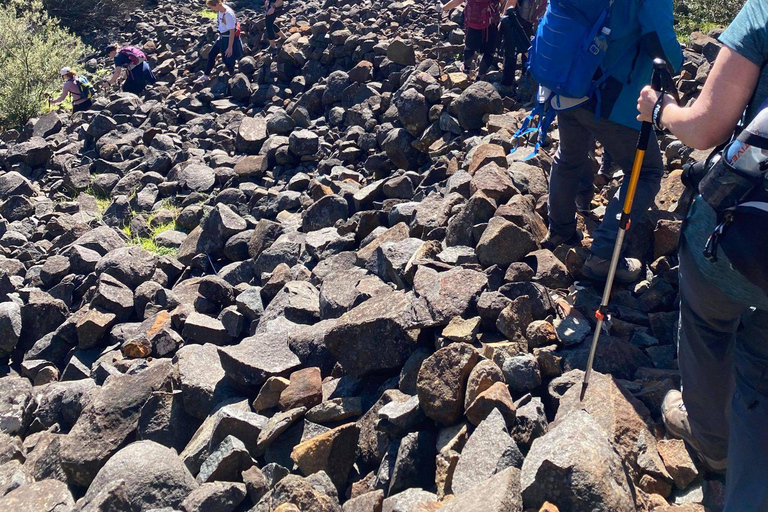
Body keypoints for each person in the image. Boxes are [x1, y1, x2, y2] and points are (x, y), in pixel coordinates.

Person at [637, 1, 768, 508]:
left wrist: (660, 110)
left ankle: (714, 446)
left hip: (736, 238)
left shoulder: (761, 13)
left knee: (709, 327)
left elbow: (707, 128)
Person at [540, 0, 682, 283]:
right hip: (611, 95)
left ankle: (560, 230)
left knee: (569, 157)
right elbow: (666, 50)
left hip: (567, 84)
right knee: (646, 173)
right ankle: (603, 255)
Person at [440, 0, 515, 79]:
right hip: (490, 24)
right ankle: (480, 76)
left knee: (469, 46)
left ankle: (466, 68)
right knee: (489, 52)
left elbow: (458, 0)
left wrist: (444, 8)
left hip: (473, 21)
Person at [195, 0, 243, 84]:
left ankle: (235, 79)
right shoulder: (220, 11)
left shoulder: (228, 14)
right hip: (221, 37)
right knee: (211, 54)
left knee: (228, 59)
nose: (211, 9)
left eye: (212, 7)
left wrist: (230, 47)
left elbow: (232, 31)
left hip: (228, 38)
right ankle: (206, 75)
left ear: (217, 4)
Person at [498, 4, 531, 94]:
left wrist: (501, 21)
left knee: (510, 53)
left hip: (515, 22)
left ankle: (507, 85)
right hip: (529, 22)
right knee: (527, 49)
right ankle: (527, 77)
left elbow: (511, 2)